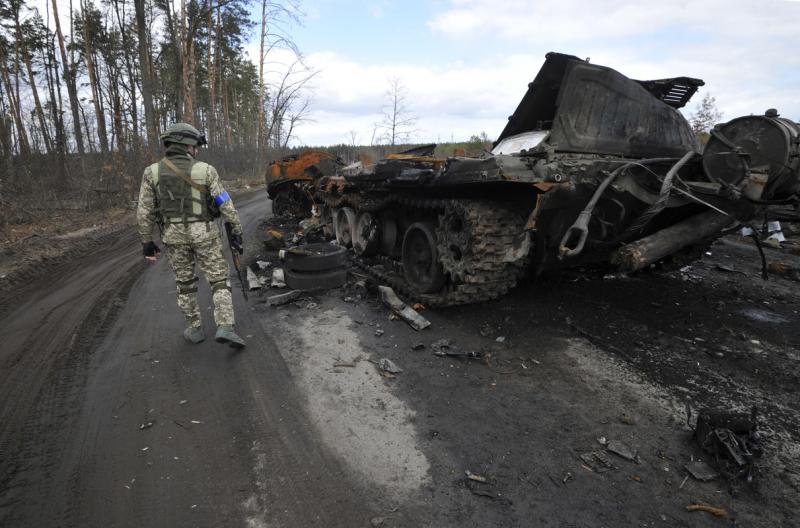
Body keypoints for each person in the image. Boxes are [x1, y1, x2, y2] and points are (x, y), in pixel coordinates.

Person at [136, 122, 246, 348]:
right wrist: (235, 228)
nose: (197, 150)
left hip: (173, 236)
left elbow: (144, 211)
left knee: (185, 283)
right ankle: (225, 325)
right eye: (195, 145)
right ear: (186, 145)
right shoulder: (206, 170)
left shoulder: (151, 172)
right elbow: (224, 203)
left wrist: (147, 241)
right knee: (218, 279)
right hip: (204, 233)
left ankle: (195, 328)